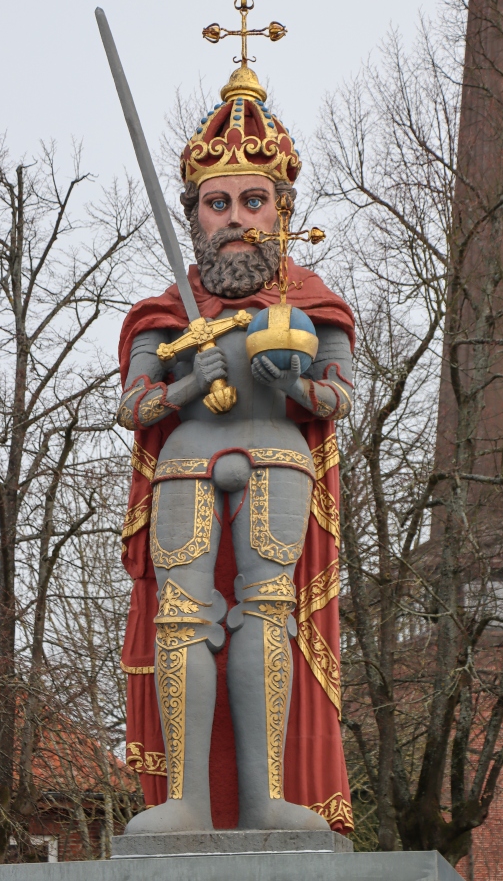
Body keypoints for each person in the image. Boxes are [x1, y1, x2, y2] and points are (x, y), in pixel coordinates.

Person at [117, 61, 355, 834]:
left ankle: (264, 799)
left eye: (253, 201)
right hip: (186, 456)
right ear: (195, 217)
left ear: (280, 210)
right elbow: (134, 404)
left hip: (278, 455)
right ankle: (186, 801)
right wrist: (189, 384)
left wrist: (287, 377)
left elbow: (337, 397)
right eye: (217, 204)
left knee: (265, 615)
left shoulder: (313, 305)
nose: (235, 218)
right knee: (184, 618)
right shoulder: (163, 312)